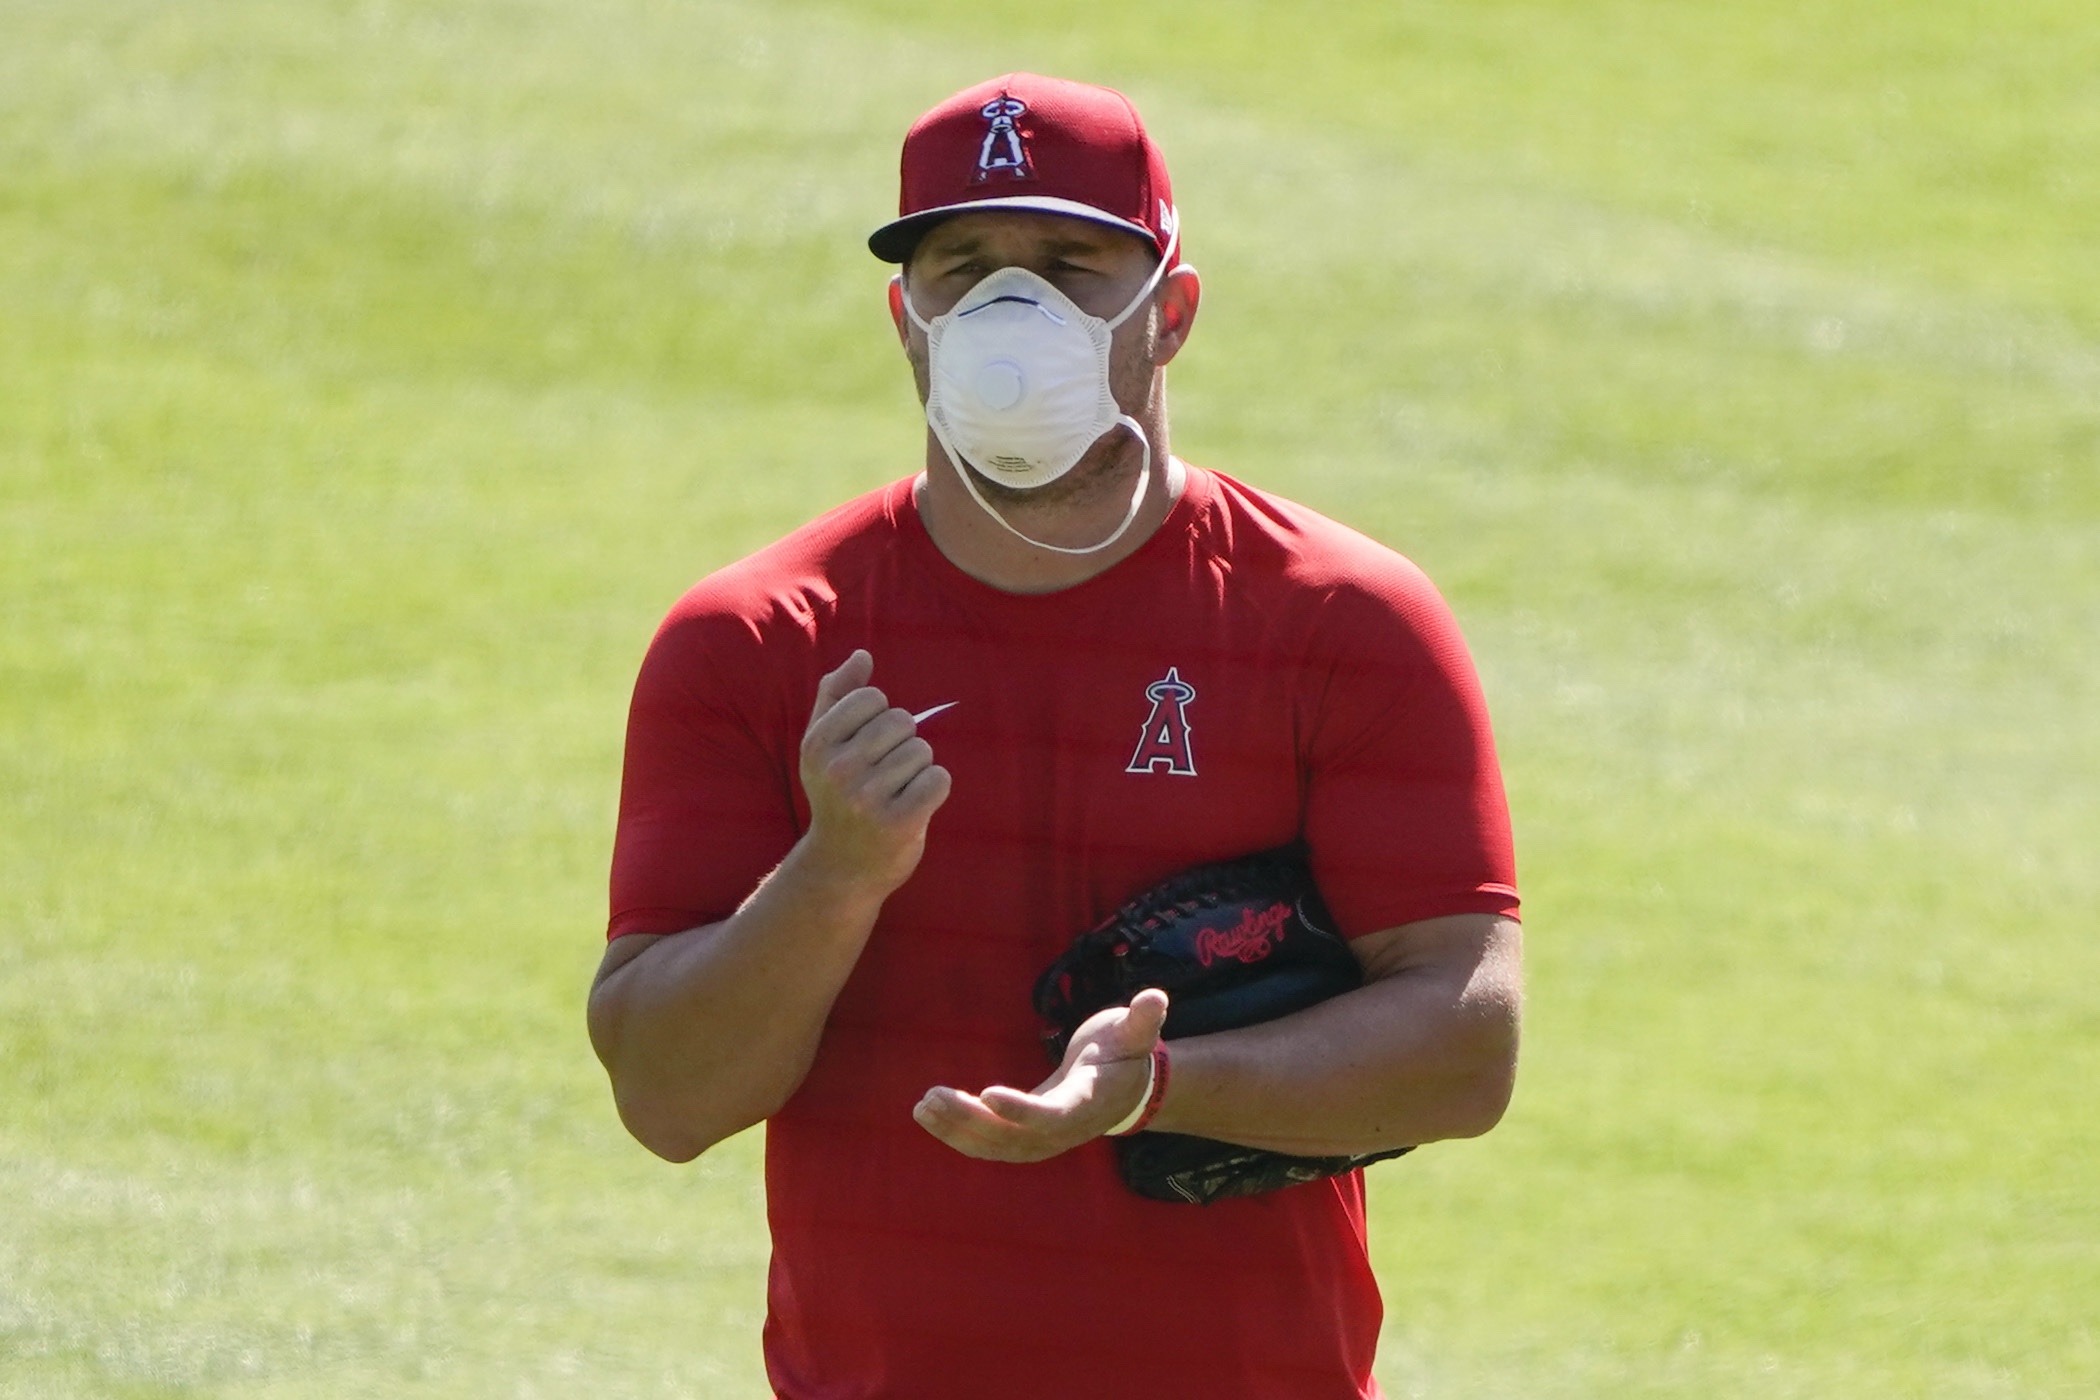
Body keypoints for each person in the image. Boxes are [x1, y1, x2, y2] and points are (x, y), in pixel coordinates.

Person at [587, 73, 1522, 1400]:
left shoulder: (1340, 623)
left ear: (1172, 312)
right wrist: (834, 872)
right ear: (906, 322)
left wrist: (1158, 1090)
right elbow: (668, 1099)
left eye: (1070, 266)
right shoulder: (760, 641)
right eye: (963, 268)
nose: (1006, 312)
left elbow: (1467, 1044)